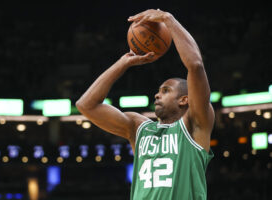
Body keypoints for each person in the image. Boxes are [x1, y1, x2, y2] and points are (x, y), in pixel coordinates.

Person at [76, 9, 214, 200]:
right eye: (158, 91)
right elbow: (86, 105)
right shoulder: (139, 128)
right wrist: (123, 63)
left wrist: (168, 19)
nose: (157, 95)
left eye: (166, 90)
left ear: (184, 99)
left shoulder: (194, 125)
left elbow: (196, 65)